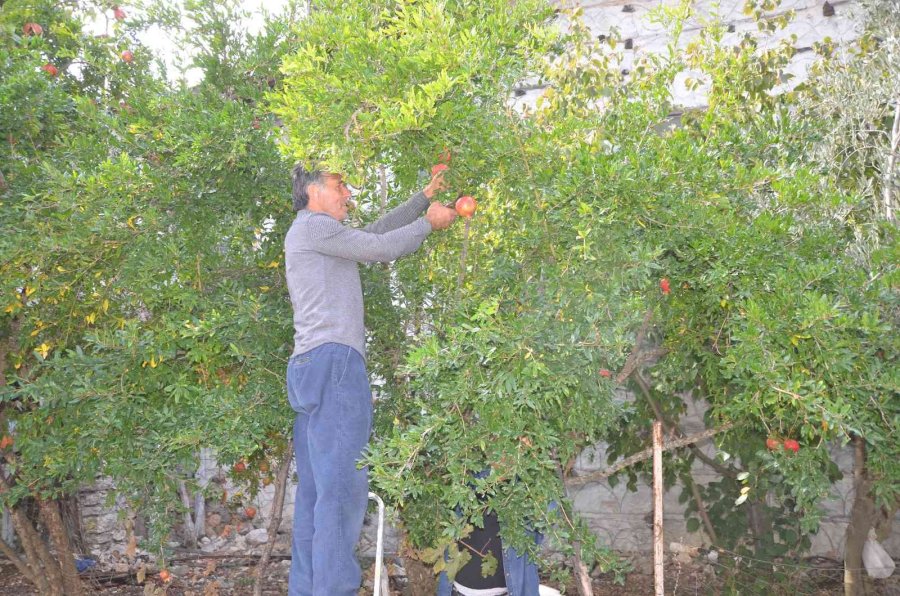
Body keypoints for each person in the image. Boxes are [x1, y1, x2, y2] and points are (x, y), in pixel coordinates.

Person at [284, 163, 457, 596]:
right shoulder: (315, 228)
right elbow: (383, 249)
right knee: (342, 490)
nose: (348, 194)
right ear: (312, 191)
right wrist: (429, 224)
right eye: (340, 186)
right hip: (336, 365)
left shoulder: (315, 233)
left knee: (316, 496)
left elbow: (375, 235)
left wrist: (421, 199)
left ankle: (308, 590)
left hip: (309, 367)